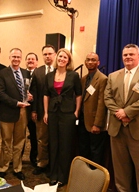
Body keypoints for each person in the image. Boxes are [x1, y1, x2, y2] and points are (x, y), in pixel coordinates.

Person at [104, 44, 139, 192]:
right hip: (117, 130)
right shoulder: (113, 76)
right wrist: (119, 112)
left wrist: (127, 112)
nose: (128, 57)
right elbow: (107, 97)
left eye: (131, 54)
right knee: (121, 171)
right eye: (125, 55)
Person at [43, 48, 82, 187]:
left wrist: (77, 111)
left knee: (65, 145)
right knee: (53, 144)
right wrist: (46, 112)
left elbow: (78, 94)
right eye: (60, 56)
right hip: (53, 112)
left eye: (65, 57)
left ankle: (63, 176)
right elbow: (46, 95)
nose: (62, 59)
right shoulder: (49, 76)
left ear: (68, 60)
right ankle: (53, 175)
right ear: (56, 58)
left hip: (67, 113)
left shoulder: (73, 75)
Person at [0, 48, 32, 180]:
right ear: (9, 57)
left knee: (20, 142)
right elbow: (0, 93)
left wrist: (29, 96)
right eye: (14, 57)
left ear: (21, 58)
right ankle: (3, 167)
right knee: (6, 142)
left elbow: (26, 89)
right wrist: (16, 103)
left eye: (18, 57)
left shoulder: (25, 73)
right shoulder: (3, 73)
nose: (16, 59)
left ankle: (17, 168)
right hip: (7, 113)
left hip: (22, 113)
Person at [30, 44, 56, 175]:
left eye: (50, 54)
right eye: (45, 54)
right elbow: (34, 92)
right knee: (42, 140)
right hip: (41, 112)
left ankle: (53, 164)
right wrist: (34, 110)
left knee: (55, 139)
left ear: (55, 55)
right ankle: (41, 163)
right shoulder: (37, 71)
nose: (48, 56)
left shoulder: (60, 70)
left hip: (57, 113)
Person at [78, 52, 108, 166]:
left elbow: (102, 103)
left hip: (95, 123)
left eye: (93, 60)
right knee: (83, 150)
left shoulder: (102, 79)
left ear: (98, 62)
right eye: (88, 60)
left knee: (95, 153)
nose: (90, 62)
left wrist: (97, 124)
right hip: (83, 121)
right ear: (85, 62)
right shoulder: (84, 79)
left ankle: (94, 179)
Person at [25, 52, 38, 167]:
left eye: (33, 59)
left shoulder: (39, 74)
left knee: (34, 135)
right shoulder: (21, 73)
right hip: (21, 110)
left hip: (33, 110)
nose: (30, 61)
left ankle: (33, 157)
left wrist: (34, 110)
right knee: (19, 136)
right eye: (28, 59)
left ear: (37, 62)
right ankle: (17, 158)